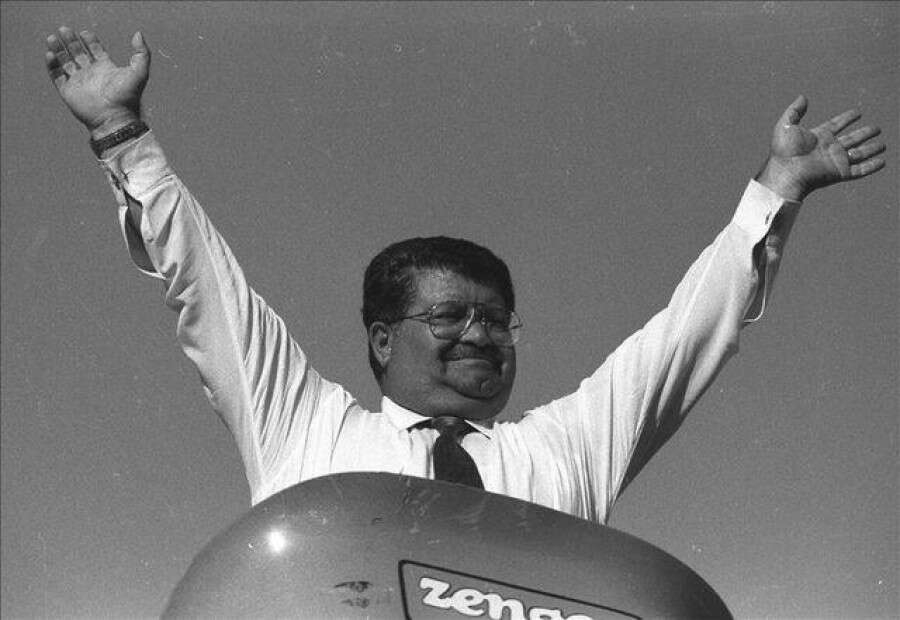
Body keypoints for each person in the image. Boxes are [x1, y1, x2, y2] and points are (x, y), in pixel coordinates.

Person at [45, 27, 885, 522]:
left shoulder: (565, 449)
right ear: (382, 340)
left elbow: (683, 338)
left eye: (497, 319)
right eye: (448, 317)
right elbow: (208, 289)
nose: (481, 335)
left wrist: (776, 189)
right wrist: (123, 135)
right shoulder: (302, 427)